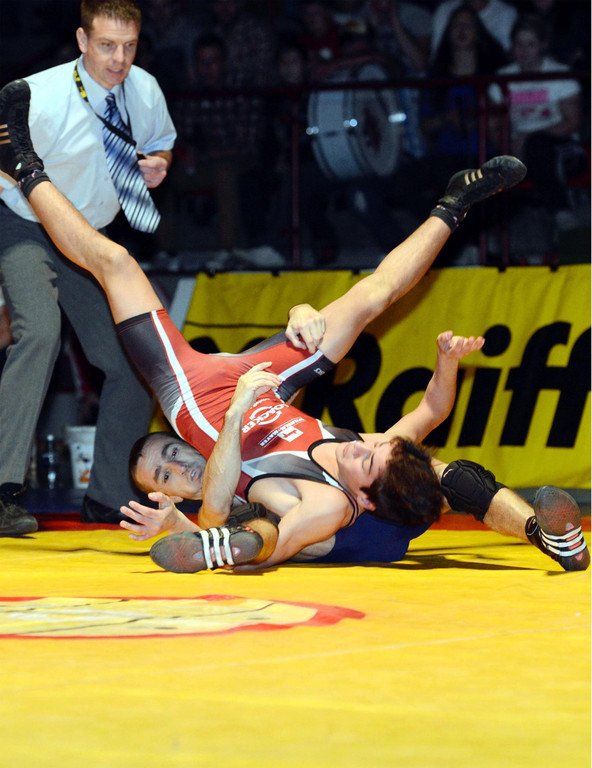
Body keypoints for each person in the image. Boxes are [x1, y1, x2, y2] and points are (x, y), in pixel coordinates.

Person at [2, 78, 587, 577]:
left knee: (117, 263)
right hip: (264, 391)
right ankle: (454, 204)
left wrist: (238, 414)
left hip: (202, 395)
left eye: (170, 457)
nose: (365, 445)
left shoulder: (308, 491)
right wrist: (441, 362)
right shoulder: (358, 461)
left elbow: (221, 514)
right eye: (169, 469)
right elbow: (426, 415)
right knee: (373, 307)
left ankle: (20, 164)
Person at [0, 0, 176, 533]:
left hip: (88, 238)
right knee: (40, 333)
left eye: (128, 46)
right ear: (81, 41)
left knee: (133, 360)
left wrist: (159, 165)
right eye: (106, 46)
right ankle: (3, 490)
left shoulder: (144, 90)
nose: (118, 59)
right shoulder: (40, 95)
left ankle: (109, 495)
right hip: (25, 224)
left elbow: (161, 145)